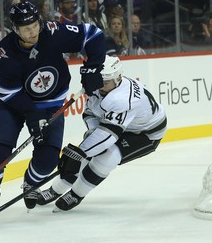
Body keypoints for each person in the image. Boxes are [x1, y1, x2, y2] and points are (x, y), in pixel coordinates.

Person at [0, 1, 105, 222]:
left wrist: (93, 67)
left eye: (35, 25)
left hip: (51, 104)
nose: (33, 31)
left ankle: (30, 182)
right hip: (13, 106)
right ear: (15, 29)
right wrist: (32, 115)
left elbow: (93, 35)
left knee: (48, 160)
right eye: (26, 28)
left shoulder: (52, 31)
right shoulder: (4, 53)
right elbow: (9, 94)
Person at [37, 55, 167, 211]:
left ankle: (77, 194)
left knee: (106, 158)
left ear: (118, 78)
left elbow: (108, 135)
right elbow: (90, 113)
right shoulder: (99, 85)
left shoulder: (122, 99)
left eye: (105, 83)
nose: (100, 86)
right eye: (99, 81)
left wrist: (82, 152)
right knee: (83, 156)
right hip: (120, 126)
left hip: (146, 133)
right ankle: (55, 190)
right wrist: (91, 134)